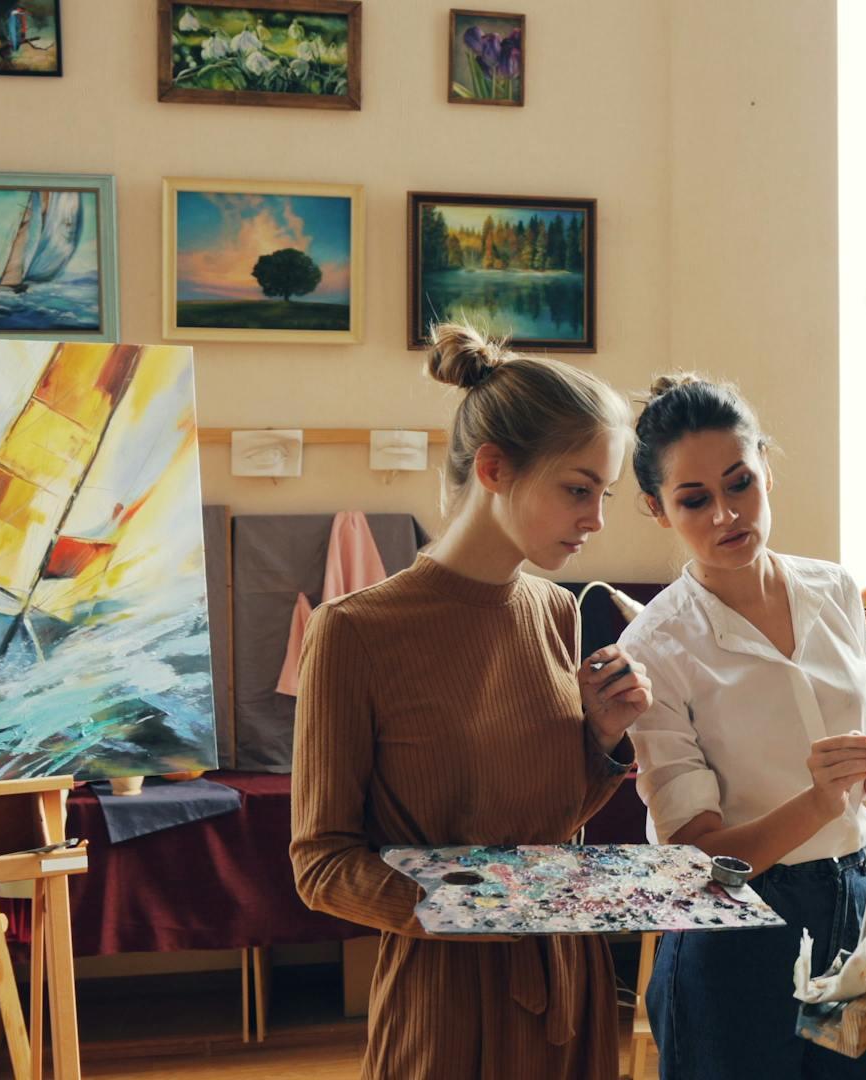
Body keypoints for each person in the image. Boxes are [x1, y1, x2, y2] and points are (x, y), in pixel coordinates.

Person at [290, 323, 652, 1079]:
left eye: (604, 493)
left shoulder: (554, 611)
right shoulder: (355, 631)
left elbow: (546, 825)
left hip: (572, 991)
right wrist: (481, 910)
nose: (596, 519)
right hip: (444, 1005)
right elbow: (322, 865)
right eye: (578, 490)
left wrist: (602, 740)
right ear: (494, 469)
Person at [618, 375, 866, 1078]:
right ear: (657, 509)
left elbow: (864, 766)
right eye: (694, 499)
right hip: (735, 937)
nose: (725, 514)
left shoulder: (835, 590)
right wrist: (819, 801)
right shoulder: (655, 646)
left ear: (767, 470)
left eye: (741, 483)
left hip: (856, 904)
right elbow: (695, 863)